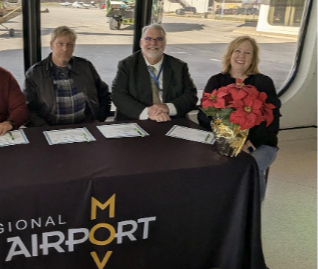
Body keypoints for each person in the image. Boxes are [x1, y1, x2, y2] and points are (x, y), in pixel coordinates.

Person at [198, 36, 280, 201]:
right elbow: (203, 116)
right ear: (230, 54)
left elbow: (272, 122)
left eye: (247, 53)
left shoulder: (263, 82)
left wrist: (250, 145)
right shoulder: (216, 81)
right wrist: (226, 137)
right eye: (237, 51)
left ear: (253, 58)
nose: (241, 56)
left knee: (251, 166)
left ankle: (252, 215)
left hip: (260, 144)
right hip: (223, 142)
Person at [24, 26, 111, 127]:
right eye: (60, 44)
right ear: (51, 45)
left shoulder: (85, 66)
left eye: (69, 44)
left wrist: (99, 118)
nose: (65, 49)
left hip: (85, 126)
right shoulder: (35, 73)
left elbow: (104, 94)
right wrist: (43, 129)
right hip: (51, 129)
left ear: (74, 46)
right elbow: (28, 108)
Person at [112, 24, 198, 122]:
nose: (153, 43)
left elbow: (191, 96)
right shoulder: (127, 65)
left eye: (159, 39)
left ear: (165, 43)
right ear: (141, 43)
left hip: (170, 120)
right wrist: (147, 112)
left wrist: (167, 108)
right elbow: (118, 95)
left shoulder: (179, 66)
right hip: (136, 120)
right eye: (148, 39)